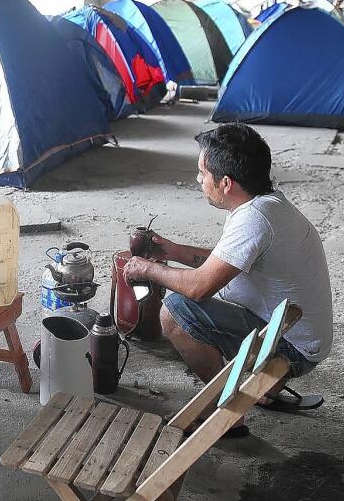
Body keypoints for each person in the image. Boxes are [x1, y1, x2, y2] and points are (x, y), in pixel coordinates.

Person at [124, 123, 332, 436]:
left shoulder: (254, 220)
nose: (198, 180)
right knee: (199, 299)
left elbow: (199, 287)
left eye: (202, 173)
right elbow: (229, 262)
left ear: (225, 183)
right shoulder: (265, 203)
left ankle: (221, 415)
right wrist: (173, 250)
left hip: (292, 347)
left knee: (176, 311)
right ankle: (266, 388)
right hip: (295, 331)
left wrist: (148, 269)